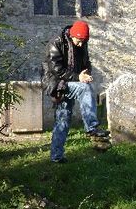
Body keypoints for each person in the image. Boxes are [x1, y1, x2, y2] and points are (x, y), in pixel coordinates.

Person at [42, 20, 110, 163]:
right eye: (79, 40)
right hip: (56, 83)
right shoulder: (56, 42)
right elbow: (56, 69)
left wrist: (86, 72)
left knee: (63, 118)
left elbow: (86, 63)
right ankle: (92, 127)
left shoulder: (82, 44)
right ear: (72, 35)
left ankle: (56, 156)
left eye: (83, 41)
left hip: (71, 83)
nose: (80, 44)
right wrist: (78, 77)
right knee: (84, 90)